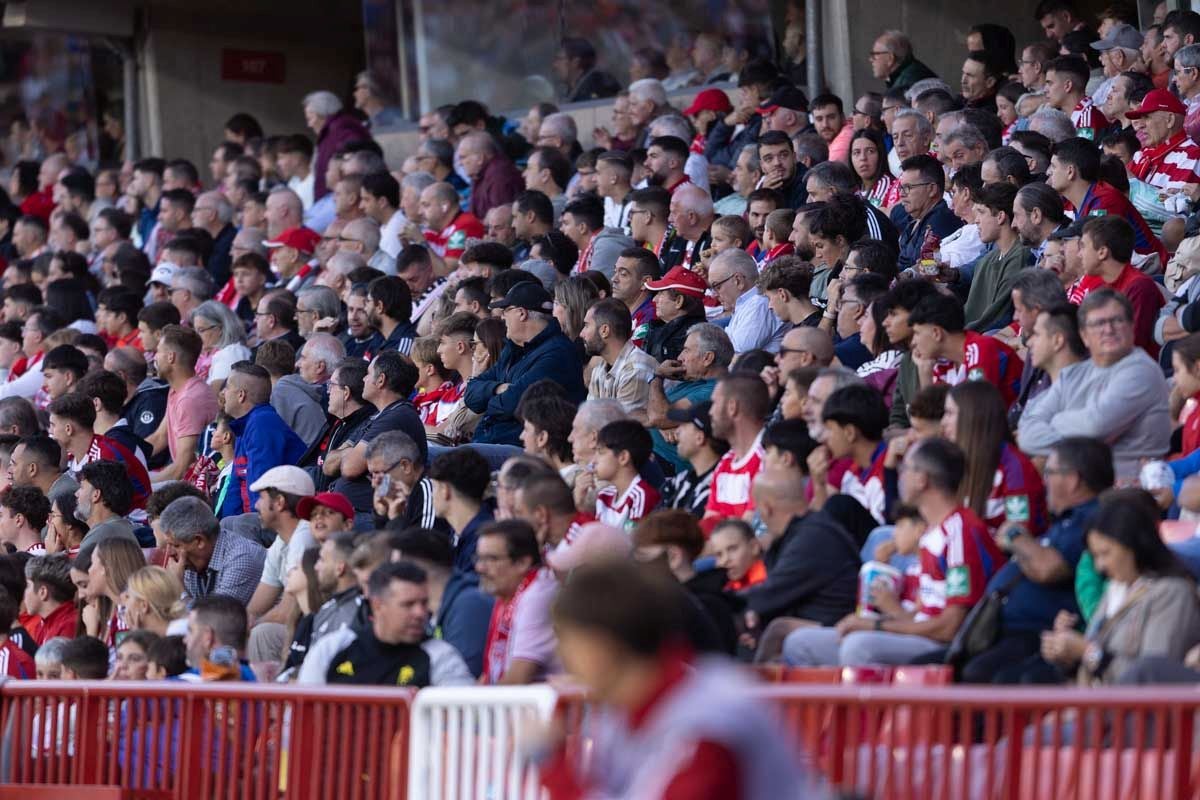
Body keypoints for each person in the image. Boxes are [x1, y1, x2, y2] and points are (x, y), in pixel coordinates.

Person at [534, 560, 815, 800]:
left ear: (599, 646)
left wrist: (552, 764)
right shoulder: (624, 714)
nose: (561, 655)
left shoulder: (708, 718)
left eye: (567, 641)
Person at [783, 437, 1006, 667]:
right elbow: (921, 614)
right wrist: (872, 620)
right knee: (799, 643)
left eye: (906, 468)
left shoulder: (961, 531)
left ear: (922, 480)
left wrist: (877, 627)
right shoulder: (930, 533)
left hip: (943, 647)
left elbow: (951, 626)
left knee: (858, 647)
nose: (900, 475)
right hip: (920, 634)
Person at [960, 437, 1111, 684]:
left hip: (1037, 634)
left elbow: (1047, 568)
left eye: (1049, 472)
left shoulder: (1091, 519)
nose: (1044, 481)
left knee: (978, 674)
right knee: (947, 666)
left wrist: (1015, 535)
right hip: (1004, 630)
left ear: (1072, 480)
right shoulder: (1065, 521)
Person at [1040, 491, 1200, 686]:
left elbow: (1152, 676)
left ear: (1134, 545)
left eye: (1105, 553)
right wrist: (1067, 652)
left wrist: (1088, 652)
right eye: (1096, 556)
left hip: (1133, 715)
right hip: (1096, 709)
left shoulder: (1173, 593)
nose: (1100, 566)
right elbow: (1095, 662)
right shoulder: (1116, 590)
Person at [1019, 289, 1171, 480]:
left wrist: (1056, 420)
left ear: (1132, 326)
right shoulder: (1075, 373)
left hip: (1127, 495)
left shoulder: (1140, 371)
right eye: (1098, 323)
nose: (1108, 329)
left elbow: (1095, 426)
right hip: (1080, 490)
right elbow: (1027, 433)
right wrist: (1081, 425)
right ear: (1084, 335)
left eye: (1117, 320)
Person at [299, 560, 472, 687]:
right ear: (378, 605)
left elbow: (464, 725)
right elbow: (301, 717)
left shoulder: (442, 657)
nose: (420, 613)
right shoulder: (331, 649)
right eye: (408, 604)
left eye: (424, 603)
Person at [466, 283, 585, 448]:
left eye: (505, 311)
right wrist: (498, 388)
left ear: (522, 313)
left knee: (436, 459)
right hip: (490, 441)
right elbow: (471, 396)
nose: (502, 317)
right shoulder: (512, 349)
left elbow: (511, 405)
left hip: (524, 450)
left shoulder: (558, 353)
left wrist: (490, 397)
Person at [390, 527, 493, 678]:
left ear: (419, 569)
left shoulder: (469, 605)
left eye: (397, 570)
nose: (391, 579)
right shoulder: (435, 608)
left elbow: (462, 679)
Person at [217, 362, 307, 519]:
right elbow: (235, 487)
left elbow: (261, 486)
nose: (223, 393)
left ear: (241, 395)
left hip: (276, 519)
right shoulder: (243, 426)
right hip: (252, 520)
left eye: (228, 387)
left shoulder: (262, 423)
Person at [476, 519, 558, 685]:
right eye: (479, 559)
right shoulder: (506, 593)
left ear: (522, 563)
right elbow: (488, 676)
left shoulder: (539, 594)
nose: (480, 568)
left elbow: (517, 680)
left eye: (490, 559)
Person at [1069, 216, 1165, 357]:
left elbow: (1129, 344)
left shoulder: (1139, 287)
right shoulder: (1101, 284)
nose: (1079, 254)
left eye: (1083, 247)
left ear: (1102, 252)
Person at [909, 293, 1024, 406]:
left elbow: (974, 410)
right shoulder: (942, 365)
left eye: (916, 334)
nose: (913, 342)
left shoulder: (982, 348)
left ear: (936, 333)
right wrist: (925, 373)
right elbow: (933, 417)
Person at [160, 496, 265, 606]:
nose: (170, 553)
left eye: (176, 545)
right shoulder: (193, 561)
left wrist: (179, 590)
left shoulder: (241, 559)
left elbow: (214, 619)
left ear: (199, 541)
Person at [245, 466, 316, 625]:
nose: (256, 505)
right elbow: (255, 608)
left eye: (261, 498)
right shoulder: (282, 541)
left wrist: (249, 629)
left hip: (312, 632)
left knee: (262, 634)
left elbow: (288, 613)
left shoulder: (304, 537)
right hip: (296, 629)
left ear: (279, 503)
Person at [148, 325, 219, 482]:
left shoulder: (190, 399)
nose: (154, 357)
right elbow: (160, 437)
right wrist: (124, 457)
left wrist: (139, 485)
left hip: (195, 487)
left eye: (158, 351)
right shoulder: (177, 389)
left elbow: (182, 468)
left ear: (171, 357)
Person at [703, 373, 770, 527]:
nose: (710, 412)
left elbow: (746, 532)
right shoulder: (726, 462)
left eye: (714, 403)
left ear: (732, 407)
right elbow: (709, 524)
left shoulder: (768, 461)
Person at [962, 183, 1028, 333]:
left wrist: (958, 336)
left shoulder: (1021, 256)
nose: (976, 220)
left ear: (1000, 217)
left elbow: (998, 316)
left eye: (981, 212)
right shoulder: (987, 260)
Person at [583, 299, 658, 421]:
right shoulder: (600, 367)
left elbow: (622, 429)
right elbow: (590, 418)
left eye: (586, 325)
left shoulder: (636, 369)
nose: (582, 333)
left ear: (604, 331)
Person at [891, 154, 963, 272]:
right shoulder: (913, 219)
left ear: (932, 189)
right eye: (901, 188)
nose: (902, 194)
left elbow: (928, 271)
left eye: (908, 187)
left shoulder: (940, 222)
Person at [428, 447, 494, 573]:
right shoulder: (466, 531)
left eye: (434, 487)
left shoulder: (481, 544)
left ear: (445, 490)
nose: (432, 494)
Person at [707, 249, 786, 354]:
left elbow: (735, 354)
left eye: (717, 286)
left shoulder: (759, 305)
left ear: (738, 280)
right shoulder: (747, 303)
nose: (714, 295)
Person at [592, 420, 661, 530]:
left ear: (623, 457)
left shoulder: (643, 496)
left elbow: (633, 543)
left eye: (600, 452)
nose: (593, 461)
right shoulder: (604, 495)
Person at [183, 594, 256, 680]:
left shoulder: (174, 689)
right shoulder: (264, 681)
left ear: (208, 637)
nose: (185, 640)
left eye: (191, 631)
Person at [23, 554, 77, 645]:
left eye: (27, 586)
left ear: (43, 592)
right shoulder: (42, 625)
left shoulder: (69, 625)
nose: (23, 593)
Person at [870, 29, 937, 92]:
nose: (870, 59)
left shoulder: (907, 84)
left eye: (875, 55)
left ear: (890, 58)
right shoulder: (909, 74)